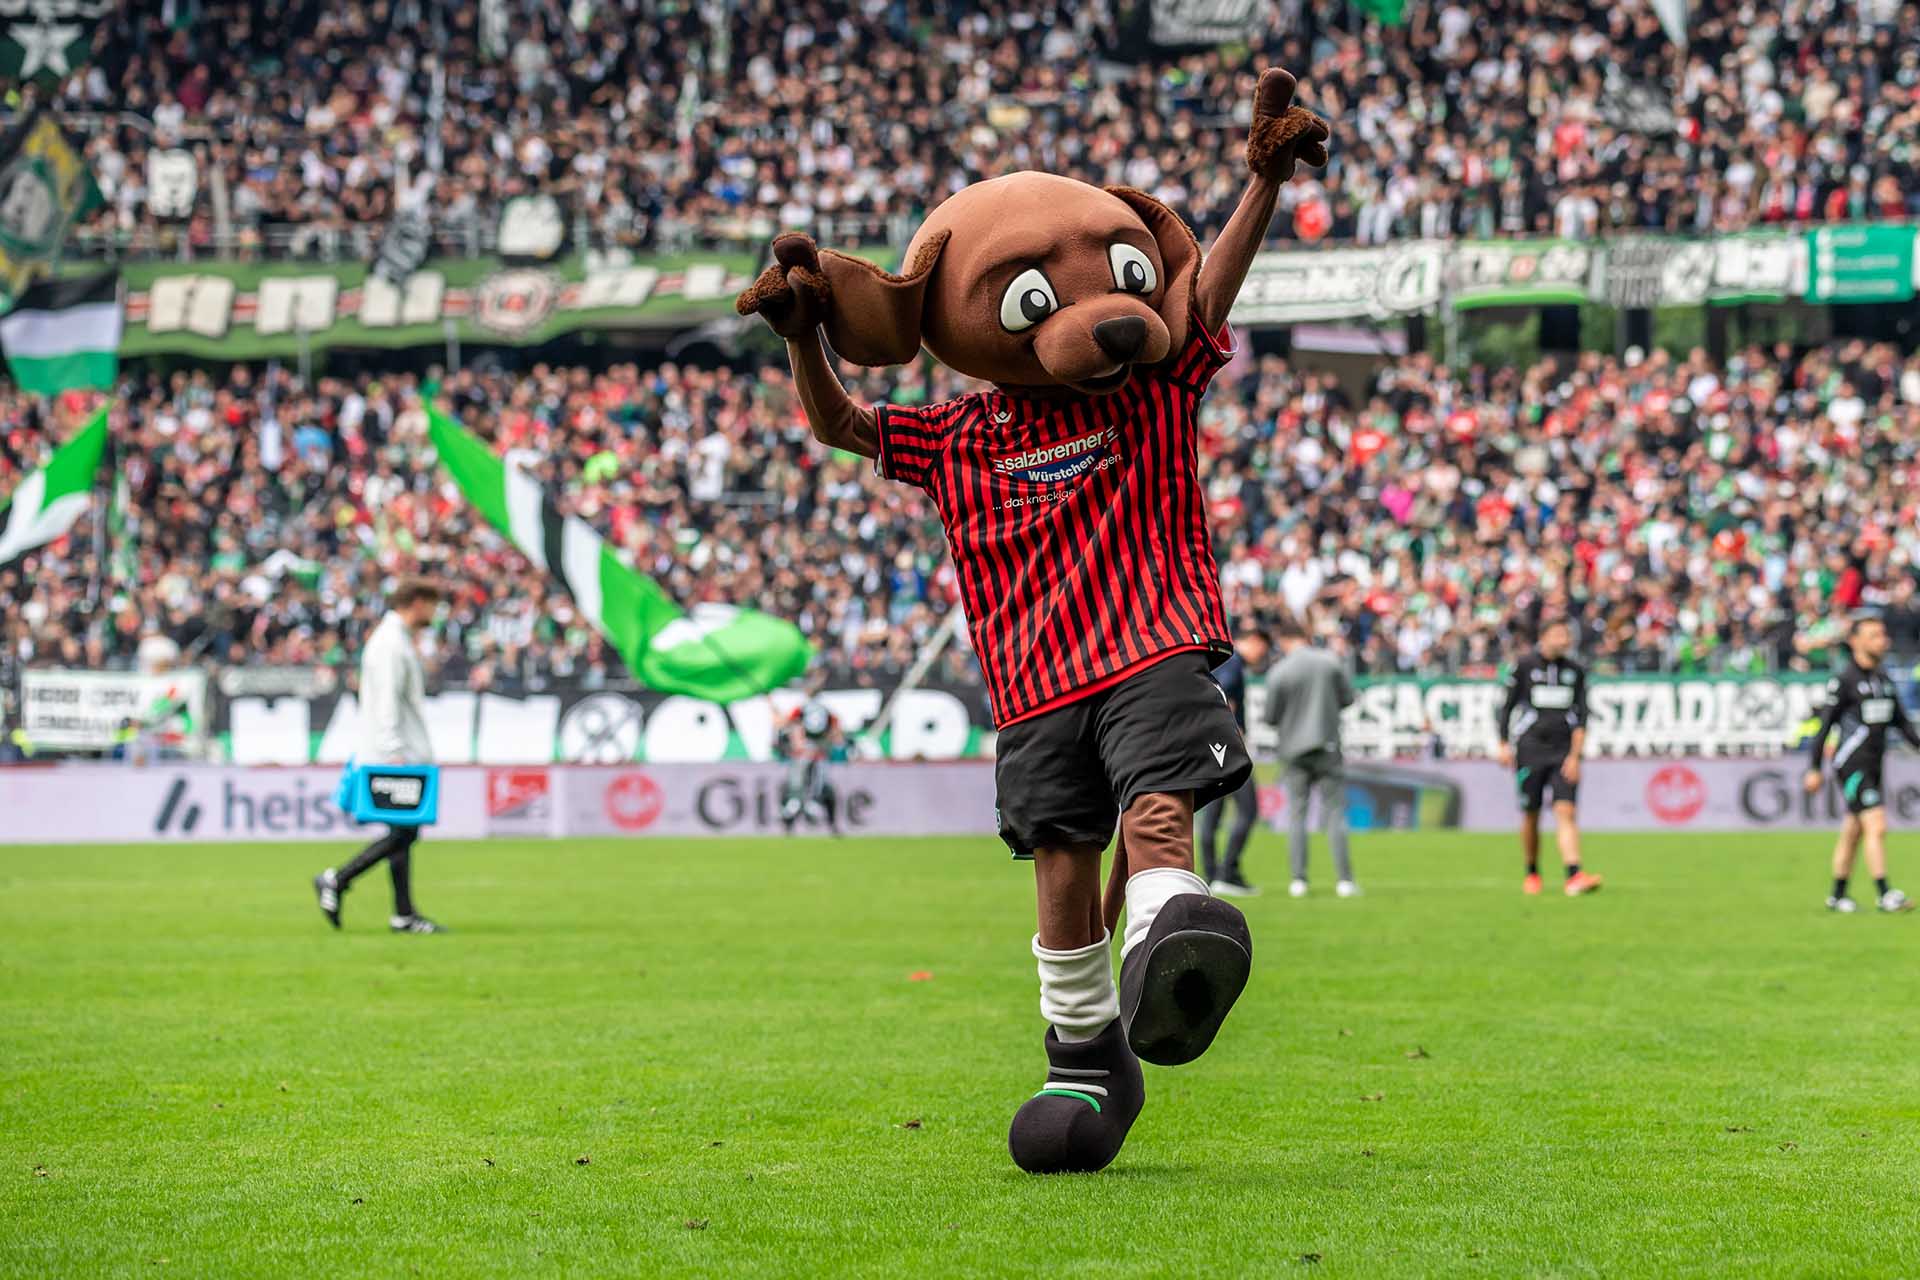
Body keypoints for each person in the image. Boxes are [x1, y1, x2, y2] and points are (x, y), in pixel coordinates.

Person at [313, 578, 446, 934]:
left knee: (402, 830)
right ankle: (337, 879)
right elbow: (386, 702)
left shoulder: (394, 640)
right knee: (404, 832)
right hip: (394, 753)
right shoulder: (390, 644)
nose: (434, 613)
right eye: (432, 604)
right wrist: (393, 752)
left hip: (397, 748)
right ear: (416, 602)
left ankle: (403, 914)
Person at [1804, 614, 1919, 913]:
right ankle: (1885, 893)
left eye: (1883, 634)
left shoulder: (1883, 680)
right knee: (1876, 824)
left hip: (1875, 763)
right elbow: (1825, 725)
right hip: (1851, 764)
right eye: (1874, 635)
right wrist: (1814, 768)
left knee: (1853, 830)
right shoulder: (1844, 681)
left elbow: (1902, 724)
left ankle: (1838, 894)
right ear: (1855, 641)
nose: (1883, 640)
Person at [1497, 616, 1603, 897]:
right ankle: (1532, 871)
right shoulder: (1523, 667)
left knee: (1566, 810)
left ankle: (1574, 874)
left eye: (1566, 635)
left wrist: (1575, 756)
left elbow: (1582, 717)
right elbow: (1506, 708)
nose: (1564, 640)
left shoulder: (1576, 671)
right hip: (1530, 750)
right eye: (1558, 634)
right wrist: (1503, 743)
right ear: (1543, 637)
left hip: (1563, 752)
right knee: (1530, 814)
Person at [1263, 614, 1357, 898]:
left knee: (1296, 815)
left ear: (1285, 640)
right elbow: (1348, 698)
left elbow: (1270, 716)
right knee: (1335, 814)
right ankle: (1344, 880)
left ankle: (1298, 880)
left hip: (1293, 749)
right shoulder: (1329, 662)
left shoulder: (1279, 672)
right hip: (1327, 745)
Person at [1197, 625, 1267, 895]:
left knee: (1212, 813)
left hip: (1209, 743)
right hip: (1224, 744)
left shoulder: (1220, 660)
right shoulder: (1233, 662)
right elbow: (1220, 695)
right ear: (1253, 640)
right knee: (1248, 809)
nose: (1262, 653)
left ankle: (1212, 875)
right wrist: (1231, 731)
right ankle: (1228, 871)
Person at [778, 685, 846, 834]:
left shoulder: (801, 709)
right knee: (821, 786)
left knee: (795, 789)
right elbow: (837, 732)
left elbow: (789, 725)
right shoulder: (826, 711)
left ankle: (793, 816)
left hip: (805, 756)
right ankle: (820, 813)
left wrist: (798, 745)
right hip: (818, 754)